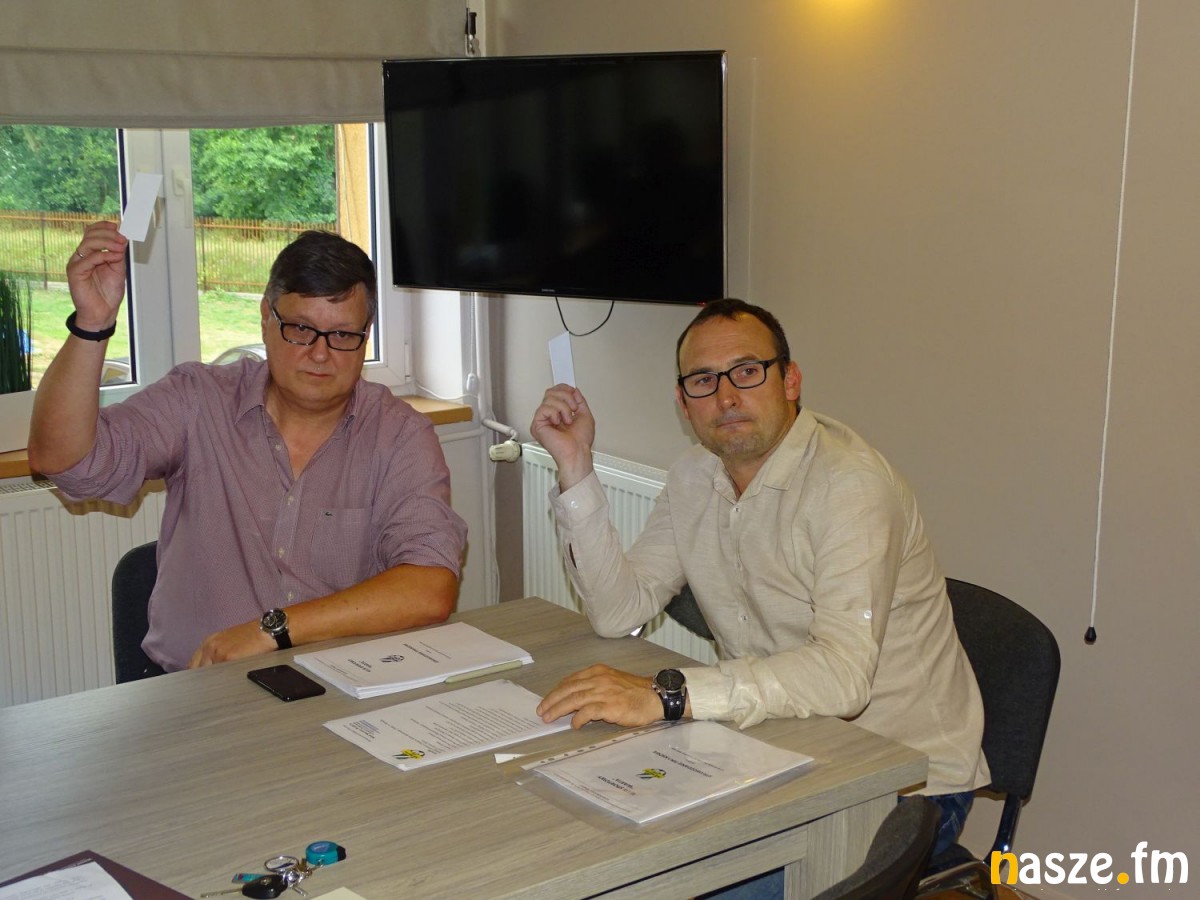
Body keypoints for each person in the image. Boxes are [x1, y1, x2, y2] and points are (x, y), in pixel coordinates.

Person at [531, 298, 988, 882]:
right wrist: (575, 466)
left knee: (692, 883)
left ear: (790, 380)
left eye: (747, 372)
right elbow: (619, 612)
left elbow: (843, 679)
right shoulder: (694, 475)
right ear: (683, 404)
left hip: (903, 777)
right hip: (775, 742)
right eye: (703, 380)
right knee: (606, 843)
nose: (726, 397)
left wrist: (668, 695)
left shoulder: (850, 487)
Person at [28, 222, 467, 673]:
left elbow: (430, 587)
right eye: (301, 328)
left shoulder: (400, 435)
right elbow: (64, 462)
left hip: (338, 686)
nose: (320, 354)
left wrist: (271, 631)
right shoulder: (198, 401)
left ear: (365, 336)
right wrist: (92, 325)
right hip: (197, 686)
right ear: (265, 318)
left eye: (342, 335)